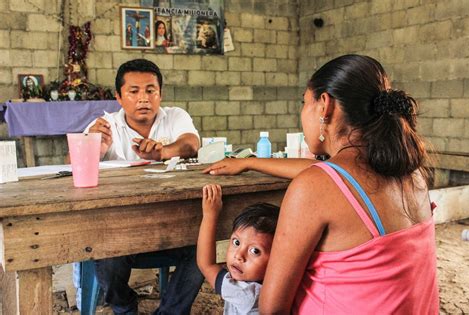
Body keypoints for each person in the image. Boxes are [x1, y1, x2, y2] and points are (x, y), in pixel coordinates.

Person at [204, 54, 439, 314]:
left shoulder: (315, 187)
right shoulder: (410, 172)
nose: (303, 113)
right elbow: (325, 173)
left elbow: (273, 309)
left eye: (305, 103)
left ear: (324, 106)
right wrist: (250, 162)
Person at [81, 58, 203, 315]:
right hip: (121, 227)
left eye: (150, 90)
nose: (144, 98)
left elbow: (191, 144)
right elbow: (75, 166)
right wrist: (95, 148)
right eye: (133, 91)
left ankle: (170, 312)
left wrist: (164, 152)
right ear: (119, 96)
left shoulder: (175, 116)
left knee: (202, 248)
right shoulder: (106, 126)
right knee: (104, 254)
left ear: (161, 94)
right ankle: (125, 306)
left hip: (171, 224)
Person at [197, 184, 279, 314]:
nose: (239, 255)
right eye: (236, 242)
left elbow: (206, 265)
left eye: (255, 251)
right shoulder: (280, 288)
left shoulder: (247, 293)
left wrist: (209, 215)